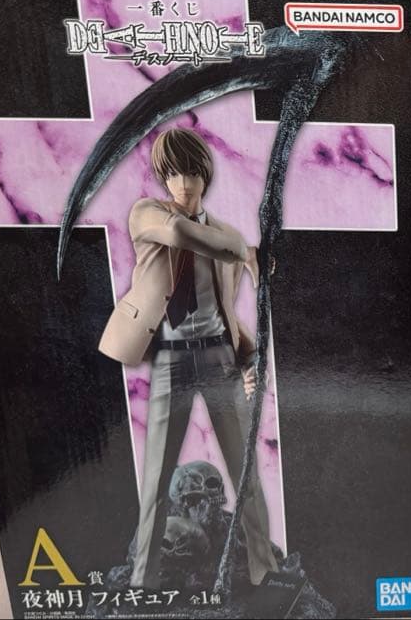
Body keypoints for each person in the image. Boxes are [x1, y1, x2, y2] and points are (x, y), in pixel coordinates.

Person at [98, 128, 277, 588]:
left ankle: (266, 570)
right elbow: (180, 233)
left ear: (205, 176)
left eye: (191, 173)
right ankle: (143, 580)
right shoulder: (147, 214)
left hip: (218, 357)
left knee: (246, 473)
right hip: (170, 360)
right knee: (157, 480)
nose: (182, 183)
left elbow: (227, 311)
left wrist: (249, 360)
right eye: (172, 174)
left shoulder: (222, 235)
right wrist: (245, 250)